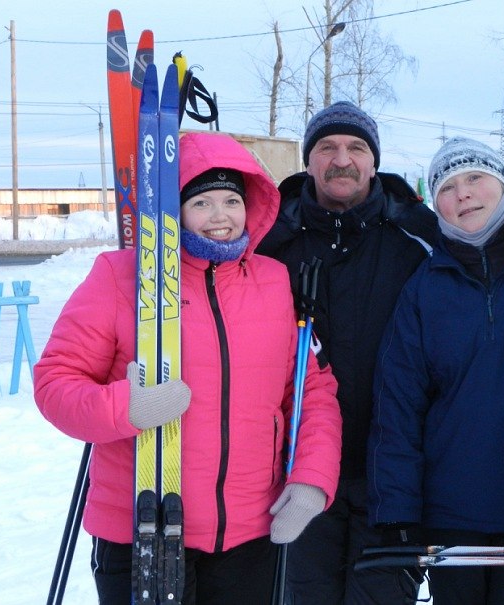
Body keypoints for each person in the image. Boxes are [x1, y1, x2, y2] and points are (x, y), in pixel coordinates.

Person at [34, 132, 342, 605]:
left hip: (249, 535)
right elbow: (55, 383)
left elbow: (310, 390)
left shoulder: (273, 281)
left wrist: (311, 478)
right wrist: (125, 407)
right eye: (201, 203)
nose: (221, 217)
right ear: (172, 212)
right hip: (144, 530)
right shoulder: (120, 277)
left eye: (232, 201)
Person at [367, 137, 504, 604]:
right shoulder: (425, 286)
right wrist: (397, 513)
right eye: (447, 187)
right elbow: (398, 404)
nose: (462, 193)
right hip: (451, 516)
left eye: (475, 177)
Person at [256, 100, 438, 604]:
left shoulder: (420, 238)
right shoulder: (269, 241)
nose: (342, 159)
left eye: (356, 147)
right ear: (308, 161)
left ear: (374, 162)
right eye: (327, 147)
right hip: (294, 470)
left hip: (392, 472)